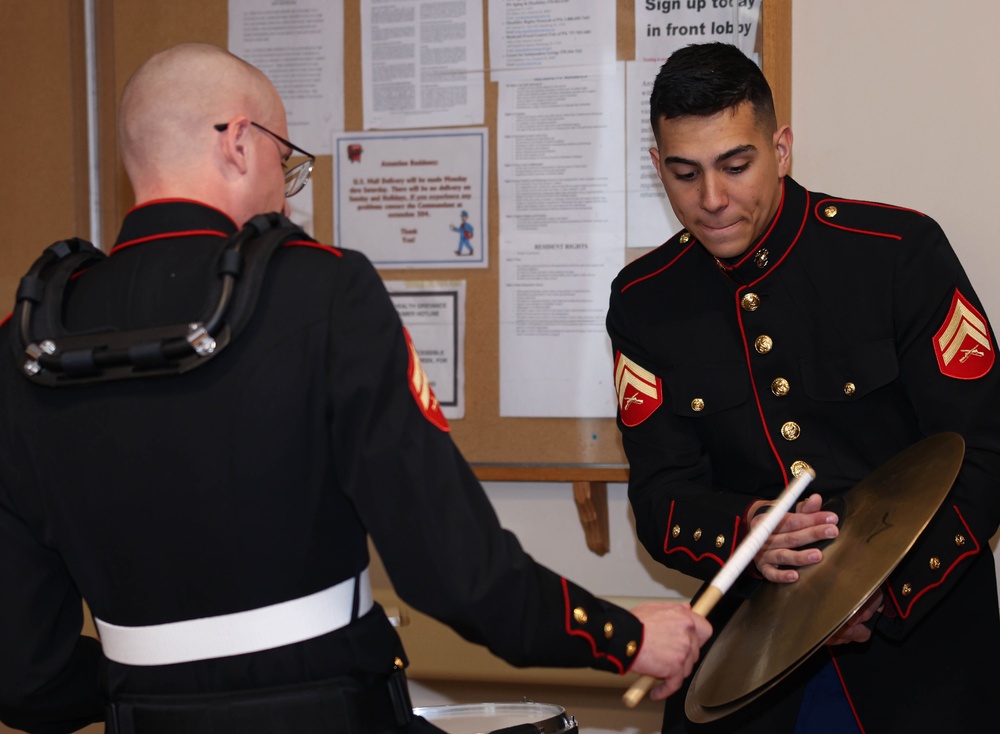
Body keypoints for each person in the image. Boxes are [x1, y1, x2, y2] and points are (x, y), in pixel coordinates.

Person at [0, 43, 712, 734]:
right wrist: (623, 637)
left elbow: (26, 679)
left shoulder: (26, 340)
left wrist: (152, 682)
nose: (285, 191)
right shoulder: (321, 292)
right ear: (239, 143)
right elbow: (457, 574)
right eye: (286, 163)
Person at [607, 42, 1000, 733]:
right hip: (749, 667)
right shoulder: (644, 303)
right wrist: (744, 533)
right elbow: (661, 496)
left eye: (736, 164)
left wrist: (876, 596)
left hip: (916, 659)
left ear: (780, 149)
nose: (712, 200)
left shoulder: (895, 254)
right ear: (656, 169)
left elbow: (986, 452)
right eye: (684, 173)